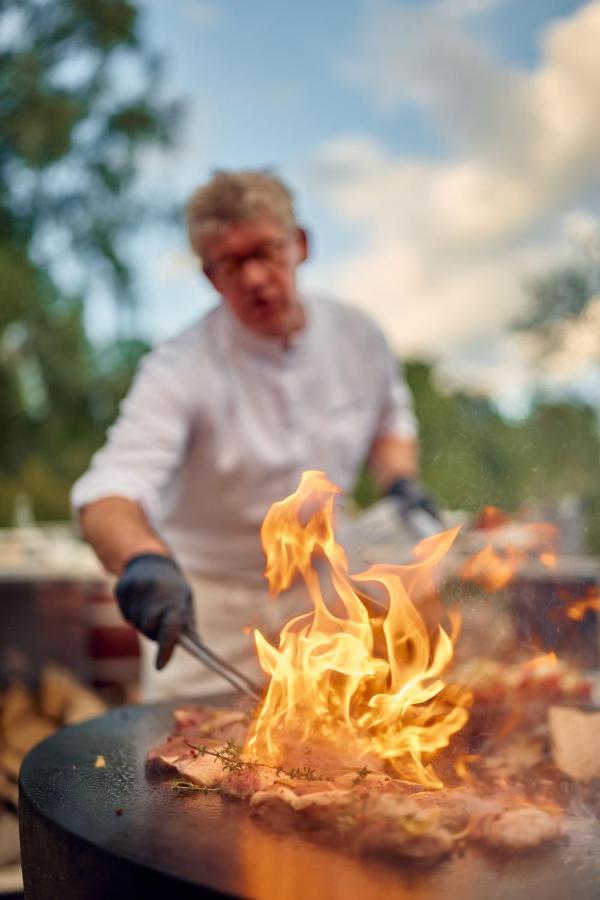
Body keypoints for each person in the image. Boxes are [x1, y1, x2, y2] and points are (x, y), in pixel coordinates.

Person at [71, 169, 431, 701]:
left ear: (301, 244)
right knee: (185, 768)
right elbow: (108, 492)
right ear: (210, 277)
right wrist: (143, 558)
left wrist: (399, 481)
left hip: (324, 596)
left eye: (266, 251)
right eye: (232, 264)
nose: (255, 278)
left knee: (339, 762)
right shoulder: (179, 367)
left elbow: (390, 424)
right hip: (208, 609)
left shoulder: (359, 336)